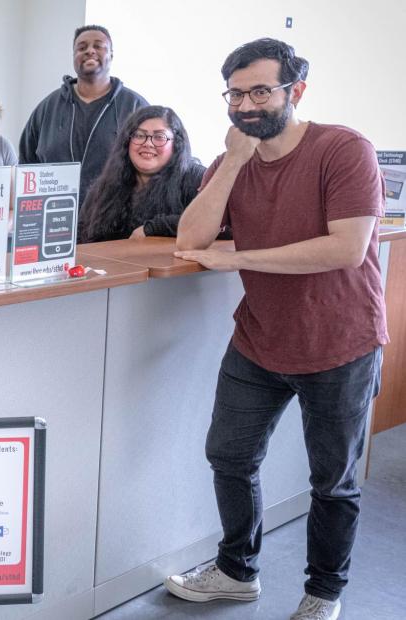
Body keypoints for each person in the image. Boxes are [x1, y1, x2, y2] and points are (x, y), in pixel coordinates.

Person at [166, 39, 387, 620]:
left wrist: (241, 257)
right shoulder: (231, 161)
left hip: (340, 342)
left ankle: (323, 595)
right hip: (260, 339)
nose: (246, 104)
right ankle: (237, 572)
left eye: (261, 90)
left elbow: (347, 248)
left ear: (297, 91)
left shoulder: (344, 149)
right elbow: (191, 239)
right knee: (229, 455)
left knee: (331, 482)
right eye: (236, 94)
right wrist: (235, 160)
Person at [19, 24, 148, 206]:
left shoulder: (135, 106)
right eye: (82, 47)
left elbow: (152, 167)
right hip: (54, 219)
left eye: (98, 46)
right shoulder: (47, 107)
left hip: (116, 223)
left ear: (111, 55)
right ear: (74, 57)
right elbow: (26, 165)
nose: (89, 51)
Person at [78, 105, 204, 243]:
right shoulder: (104, 187)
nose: (148, 143)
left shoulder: (196, 178)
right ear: (127, 141)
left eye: (159, 137)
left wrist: (154, 228)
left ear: (177, 144)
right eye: (139, 135)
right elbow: (80, 238)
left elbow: (218, 223)